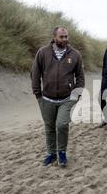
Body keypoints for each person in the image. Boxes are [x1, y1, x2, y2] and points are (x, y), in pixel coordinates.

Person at [31, 26, 85, 167]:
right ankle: (51, 153)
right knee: (49, 127)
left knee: (61, 125)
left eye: (66, 36)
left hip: (67, 98)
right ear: (54, 37)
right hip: (46, 98)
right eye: (61, 37)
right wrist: (37, 94)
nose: (65, 39)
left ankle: (61, 152)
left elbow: (80, 76)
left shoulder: (75, 54)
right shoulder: (43, 52)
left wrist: (76, 95)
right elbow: (35, 73)